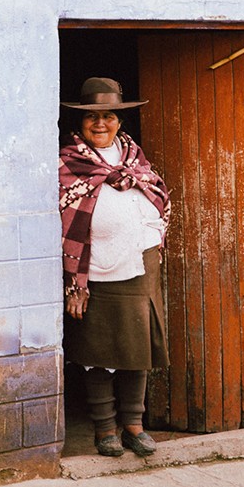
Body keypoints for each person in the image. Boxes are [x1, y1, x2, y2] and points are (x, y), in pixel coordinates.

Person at [59, 77, 171, 458]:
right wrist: (75, 284)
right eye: (92, 116)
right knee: (98, 353)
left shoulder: (134, 158)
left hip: (139, 265)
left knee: (136, 347)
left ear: (119, 121)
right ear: (81, 123)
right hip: (96, 271)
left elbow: (156, 194)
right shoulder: (69, 163)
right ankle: (105, 429)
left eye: (108, 116)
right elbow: (63, 221)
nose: (101, 123)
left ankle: (134, 426)